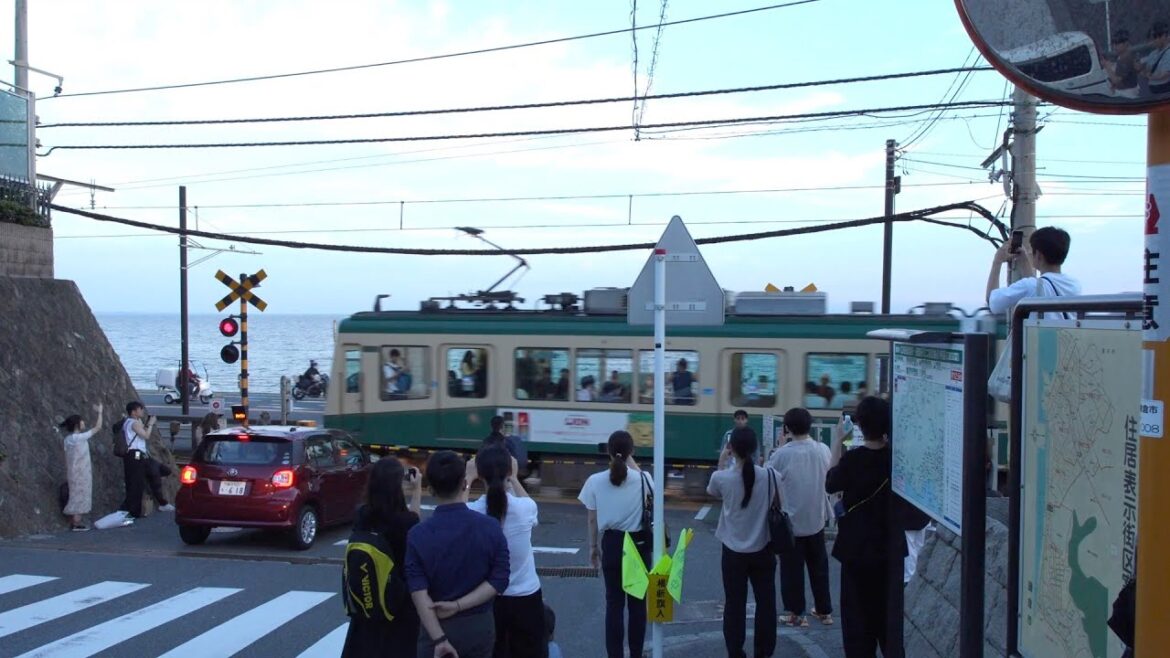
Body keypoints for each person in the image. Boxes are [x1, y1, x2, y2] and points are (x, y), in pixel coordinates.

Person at [407, 450, 510, 658]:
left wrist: (440, 639)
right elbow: (500, 579)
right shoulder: (490, 527)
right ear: (464, 483)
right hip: (478, 626)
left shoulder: (417, 534)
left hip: (434, 627)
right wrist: (458, 605)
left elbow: (418, 592)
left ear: (431, 490)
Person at [826, 396, 906, 657]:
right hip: (890, 552)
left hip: (856, 552)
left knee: (857, 623)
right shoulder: (897, 460)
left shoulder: (853, 460)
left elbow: (830, 483)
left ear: (859, 426)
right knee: (889, 620)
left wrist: (838, 440)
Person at [578, 430, 652, 658]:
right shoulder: (644, 478)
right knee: (638, 606)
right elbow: (648, 489)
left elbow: (592, 518)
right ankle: (637, 654)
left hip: (612, 545)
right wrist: (629, 458)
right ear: (632, 452)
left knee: (614, 605)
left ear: (608, 452)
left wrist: (593, 548)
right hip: (638, 545)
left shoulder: (594, 481)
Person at [467, 446, 545, 658]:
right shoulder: (525, 508)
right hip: (527, 598)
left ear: (480, 474)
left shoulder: (472, 512)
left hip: (487, 600)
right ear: (509, 472)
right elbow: (529, 505)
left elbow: (455, 510)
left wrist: (468, 478)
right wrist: (514, 478)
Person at [341, 457, 423, 657]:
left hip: (367, 605)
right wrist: (418, 488)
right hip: (398, 606)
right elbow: (415, 521)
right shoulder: (406, 522)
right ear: (397, 487)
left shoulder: (362, 514)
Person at [709, 427, 776, 658]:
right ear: (755, 448)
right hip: (763, 549)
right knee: (766, 603)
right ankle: (764, 652)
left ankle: (735, 651)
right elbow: (780, 506)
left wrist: (721, 461)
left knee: (734, 604)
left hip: (732, 552)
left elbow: (713, 491)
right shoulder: (770, 475)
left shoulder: (721, 478)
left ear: (731, 448)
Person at [768, 408, 834, 627]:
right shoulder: (822, 450)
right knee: (819, 568)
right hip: (817, 519)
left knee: (791, 570)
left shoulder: (783, 454)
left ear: (786, 428)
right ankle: (824, 611)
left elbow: (769, 477)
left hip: (791, 524)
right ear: (810, 425)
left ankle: (797, 614)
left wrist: (779, 446)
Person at [986, 226, 1080, 318]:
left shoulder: (1029, 286)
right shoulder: (1074, 285)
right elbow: (1039, 291)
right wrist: (1024, 261)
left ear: (1038, 255)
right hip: (1065, 333)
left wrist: (997, 261)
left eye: (1032, 251)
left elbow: (992, 303)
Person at [118, 402, 174, 519]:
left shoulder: (130, 422)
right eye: (140, 409)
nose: (142, 411)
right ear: (133, 411)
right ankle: (132, 510)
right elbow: (145, 436)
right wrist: (151, 424)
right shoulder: (133, 423)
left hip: (136, 455)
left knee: (137, 480)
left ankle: (132, 508)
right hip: (135, 454)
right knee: (136, 482)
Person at [60, 402, 104, 531]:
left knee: (76, 493)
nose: (84, 423)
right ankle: (76, 523)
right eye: (82, 421)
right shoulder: (78, 438)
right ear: (77, 424)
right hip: (81, 471)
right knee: (80, 494)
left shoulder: (68, 439)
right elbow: (98, 427)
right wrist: (100, 412)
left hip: (72, 470)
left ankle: (75, 521)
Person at [1103, 29, 1141, 98]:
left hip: (1127, 94)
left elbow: (1116, 80)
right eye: (1114, 44)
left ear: (1126, 43)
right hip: (1126, 92)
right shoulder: (1122, 56)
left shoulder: (1126, 58)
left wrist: (1107, 66)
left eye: (1117, 43)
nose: (1114, 47)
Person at [1140, 21, 1170, 95]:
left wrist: (1148, 75)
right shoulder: (1153, 54)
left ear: (1164, 36)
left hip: (1163, 91)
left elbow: (1163, 75)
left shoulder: (1168, 53)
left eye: (1155, 37)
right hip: (1152, 90)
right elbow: (1147, 69)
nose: (1153, 41)